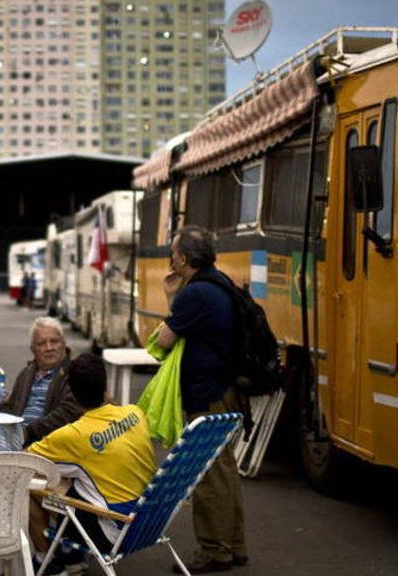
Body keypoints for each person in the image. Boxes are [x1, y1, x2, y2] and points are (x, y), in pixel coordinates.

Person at [154, 225, 247, 573]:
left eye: (173, 252)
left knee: (206, 472)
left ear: (182, 258)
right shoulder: (219, 283)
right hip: (225, 388)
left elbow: (165, 339)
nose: (170, 258)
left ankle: (214, 550)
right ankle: (234, 545)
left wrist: (172, 298)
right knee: (225, 470)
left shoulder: (195, 295)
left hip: (207, 392)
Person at [27, 353, 156, 564]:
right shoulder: (135, 413)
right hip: (149, 520)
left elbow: (25, 462)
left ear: (74, 395)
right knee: (82, 472)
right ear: (105, 385)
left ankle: (47, 561)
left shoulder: (74, 435)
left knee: (28, 484)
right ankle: (71, 556)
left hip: (114, 531)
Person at [0, 317, 83, 445]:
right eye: (42, 344)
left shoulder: (75, 374)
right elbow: (11, 406)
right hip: (17, 441)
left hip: (49, 445)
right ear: (33, 349)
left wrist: (27, 432)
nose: (49, 348)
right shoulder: (26, 374)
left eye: (54, 341)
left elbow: (67, 414)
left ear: (64, 344)